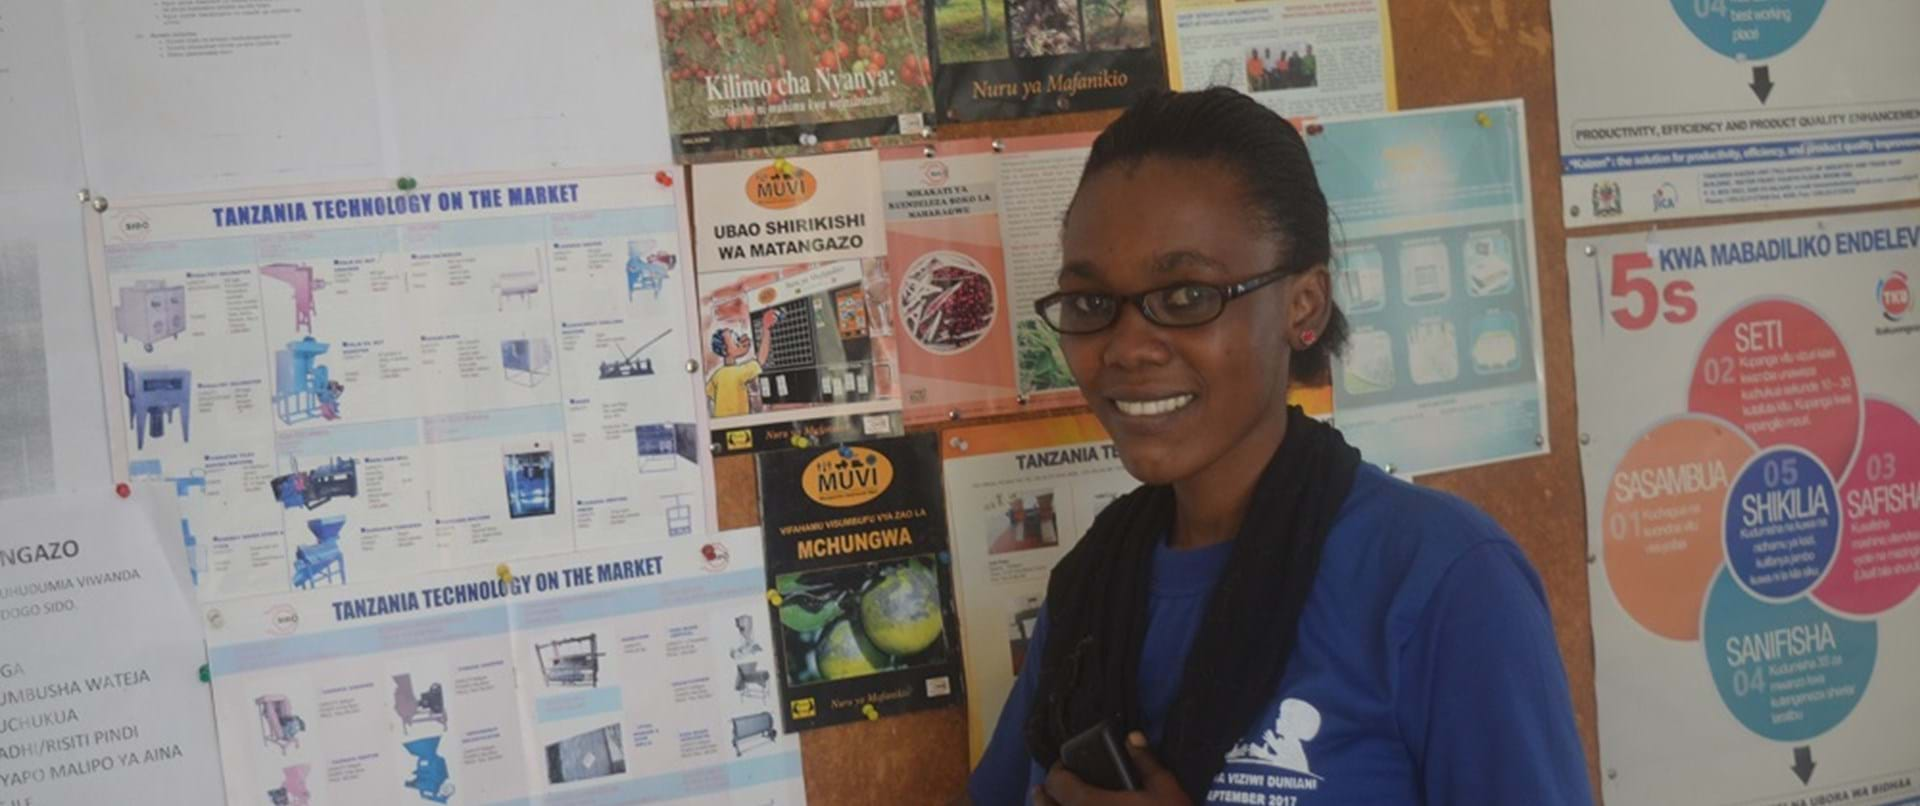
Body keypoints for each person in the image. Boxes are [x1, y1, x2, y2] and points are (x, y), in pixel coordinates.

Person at [962, 88, 1591, 805]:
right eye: (1090, 303)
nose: (1127, 347)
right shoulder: (1094, 584)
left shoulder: (1440, 581)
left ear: (1304, 306)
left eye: (1187, 295)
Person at [705, 308, 780, 418]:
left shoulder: (717, 375)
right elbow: (761, 359)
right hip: (739, 425)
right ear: (725, 350)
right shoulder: (738, 373)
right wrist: (766, 329)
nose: (741, 341)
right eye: (735, 340)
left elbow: (709, 394)